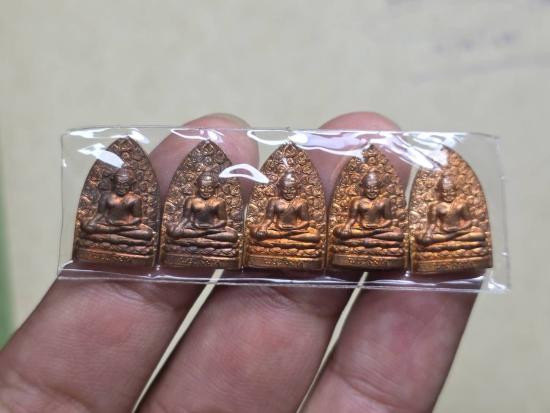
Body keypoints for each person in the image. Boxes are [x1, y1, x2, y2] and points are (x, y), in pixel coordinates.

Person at [0, 113, 477, 412]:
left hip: (304, 240)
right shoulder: (177, 197)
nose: (370, 191)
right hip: (172, 237)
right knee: (195, 232)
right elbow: (180, 225)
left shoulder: (324, 199)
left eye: (214, 186)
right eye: (207, 186)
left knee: (318, 234)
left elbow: (339, 227)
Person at [80, 167, 154, 246]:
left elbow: (138, 218)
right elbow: (100, 213)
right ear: (113, 183)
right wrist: (93, 222)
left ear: (132, 185)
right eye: (118, 184)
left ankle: (110, 234)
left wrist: (125, 224)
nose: (121, 187)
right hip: (108, 223)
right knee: (85, 224)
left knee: (147, 234)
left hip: (126, 225)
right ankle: (119, 234)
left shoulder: (135, 199)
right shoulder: (106, 196)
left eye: (125, 185)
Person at [249, 170, 321, 248]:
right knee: (254, 231)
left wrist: (296, 227)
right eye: (285, 189)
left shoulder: (301, 202)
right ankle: (287, 236)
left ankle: (285, 236)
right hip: (277, 229)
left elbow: (306, 221)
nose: (288, 192)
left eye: (292, 189)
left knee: (316, 236)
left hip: (295, 230)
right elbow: (268, 219)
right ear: (280, 188)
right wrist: (263, 228)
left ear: (298, 188)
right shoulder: (273, 201)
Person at [166, 170, 238, 248]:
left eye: (209, 188)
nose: (206, 191)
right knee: (171, 230)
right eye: (202, 188)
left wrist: (211, 228)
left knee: (233, 236)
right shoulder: (191, 200)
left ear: (215, 187)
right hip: (194, 227)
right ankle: (204, 236)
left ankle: (200, 236)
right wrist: (179, 227)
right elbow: (186, 218)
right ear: (197, 186)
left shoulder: (219, 202)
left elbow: (223, 220)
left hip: (212, 228)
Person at [333, 170, 404, 248]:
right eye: (369, 188)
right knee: (338, 231)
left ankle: (368, 235)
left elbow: (389, 219)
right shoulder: (356, 201)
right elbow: (352, 218)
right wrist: (347, 227)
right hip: (361, 228)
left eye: (375, 188)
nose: (372, 191)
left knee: (399, 234)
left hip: (379, 228)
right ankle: (372, 234)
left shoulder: (385, 201)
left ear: (380, 188)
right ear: (363, 188)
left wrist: (379, 226)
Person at [416, 174, 486, 251]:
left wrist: (459, 228)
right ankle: (454, 237)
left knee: (481, 235)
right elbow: (432, 224)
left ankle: (451, 237)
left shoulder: (461, 204)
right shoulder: (435, 206)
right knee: (420, 238)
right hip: (443, 232)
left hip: (460, 230)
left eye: (451, 191)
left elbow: (469, 220)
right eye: (445, 192)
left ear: (456, 190)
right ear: (439, 191)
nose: (449, 194)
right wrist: (428, 234)